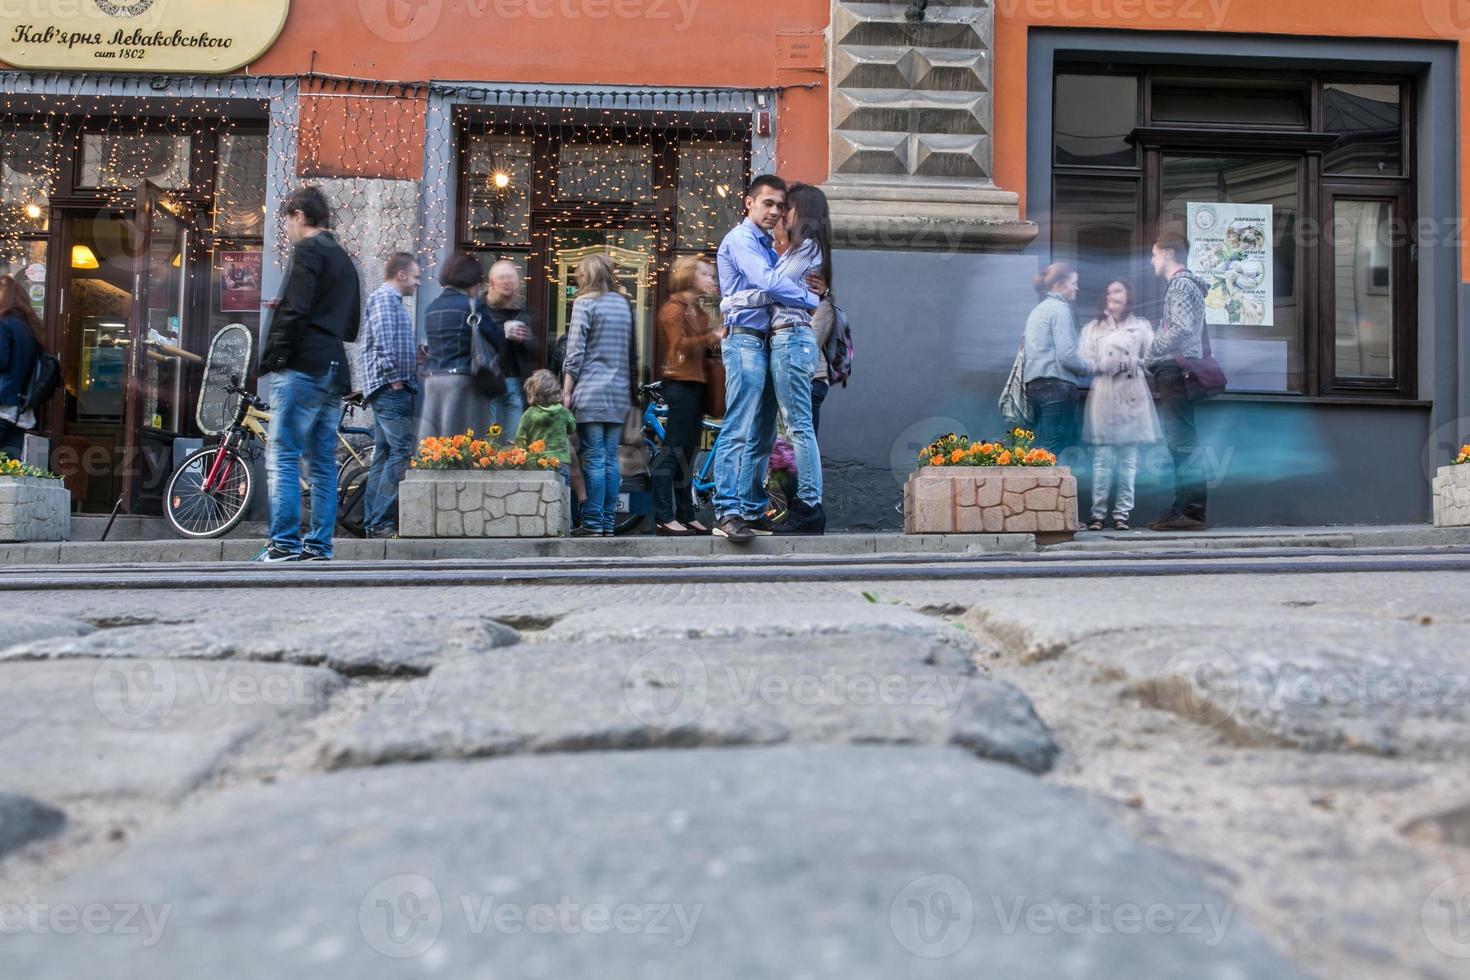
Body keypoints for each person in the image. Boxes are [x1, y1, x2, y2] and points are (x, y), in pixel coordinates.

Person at [711, 174, 824, 543]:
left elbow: (774, 287)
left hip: (766, 343)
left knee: (761, 433)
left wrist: (733, 302)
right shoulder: (743, 240)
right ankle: (728, 510)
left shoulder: (772, 247)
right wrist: (809, 300)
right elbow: (770, 285)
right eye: (769, 204)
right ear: (749, 203)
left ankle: (752, 509)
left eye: (781, 205)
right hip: (745, 342)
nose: (775, 211)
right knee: (739, 427)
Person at [256, 186, 362, 563]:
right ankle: (319, 546)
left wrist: (270, 358)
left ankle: (284, 544)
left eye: (286, 221)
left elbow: (296, 311)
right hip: (334, 368)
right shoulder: (345, 260)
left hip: (303, 365)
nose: (286, 229)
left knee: (283, 453)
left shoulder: (307, 251)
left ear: (299, 216)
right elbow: (351, 325)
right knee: (322, 462)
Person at [561, 253, 634, 537]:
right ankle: (606, 522)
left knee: (593, 457)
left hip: (591, 391)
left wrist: (567, 389)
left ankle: (592, 522)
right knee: (609, 459)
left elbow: (575, 350)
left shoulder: (584, 303)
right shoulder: (622, 304)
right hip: (617, 393)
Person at [1079, 280, 1160, 531]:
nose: (1111, 295)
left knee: (1128, 460)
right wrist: (1102, 364)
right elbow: (1083, 360)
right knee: (1102, 459)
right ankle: (1098, 515)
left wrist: (1135, 362)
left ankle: (1122, 514)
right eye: (1108, 291)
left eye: (1117, 291)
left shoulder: (1141, 327)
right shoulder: (1093, 328)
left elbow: (1156, 357)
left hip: (1132, 393)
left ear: (1128, 296)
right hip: (1105, 394)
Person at [1146, 230, 1212, 531]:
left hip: (1175, 371)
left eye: (1154, 254)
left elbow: (1182, 328)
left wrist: (1152, 348)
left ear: (1169, 253)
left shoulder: (1181, 285)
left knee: (1182, 442)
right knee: (1180, 442)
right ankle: (1181, 508)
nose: (1151, 261)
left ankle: (1192, 511)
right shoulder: (1184, 285)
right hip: (1176, 372)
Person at [651, 255, 720, 536]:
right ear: (691, 276)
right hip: (679, 384)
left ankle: (685, 514)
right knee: (672, 452)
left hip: (696, 385)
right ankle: (664, 516)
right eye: (706, 275)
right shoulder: (673, 310)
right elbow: (678, 347)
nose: (711, 280)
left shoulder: (697, 311)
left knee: (687, 453)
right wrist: (712, 337)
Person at [357, 252, 422, 539]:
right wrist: (395, 379)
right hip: (389, 390)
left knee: (383, 455)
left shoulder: (390, 301)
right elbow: (383, 346)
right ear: (401, 275)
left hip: (388, 389)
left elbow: (388, 343)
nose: (419, 283)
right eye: (416, 276)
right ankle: (379, 521)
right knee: (403, 451)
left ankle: (372, 521)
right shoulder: (385, 300)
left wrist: (416, 357)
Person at [417, 252, 498, 444]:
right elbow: (496, 340)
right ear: (471, 280)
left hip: (434, 381)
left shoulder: (431, 308)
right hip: (463, 381)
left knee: (436, 448)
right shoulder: (472, 306)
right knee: (467, 446)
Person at [1022, 263, 1090, 457]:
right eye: (1073, 283)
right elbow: (1067, 355)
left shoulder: (1038, 310)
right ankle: (1040, 487)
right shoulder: (1060, 309)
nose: (1076, 288)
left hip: (1035, 387)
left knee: (1044, 447)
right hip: (1057, 388)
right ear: (1060, 284)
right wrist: (1087, 367)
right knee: (1052, 451)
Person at [481, 259, 540, 438]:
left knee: (512, 443)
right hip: (486, 383)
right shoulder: (478, 310)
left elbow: (538, 350)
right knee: (487, 444)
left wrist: (525, 339)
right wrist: (500, 334)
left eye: (512, 279)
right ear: (491, 282)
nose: (508, 282)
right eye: (503, 278)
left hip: (515, 383)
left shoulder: (524, 313)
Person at [515, 369, 578, 530]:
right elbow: (572, 427)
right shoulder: (562, 412)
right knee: (563, 494)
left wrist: (521, 454)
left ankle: (539, 525)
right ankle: (565, 525)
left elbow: (520, 437)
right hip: (561, 461)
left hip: (538, 461)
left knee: (540, 495)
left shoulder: (529, 414)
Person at [0, 275, 41, 460]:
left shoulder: (4, 323)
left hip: (3, 401)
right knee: (9, 468)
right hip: (21, 410)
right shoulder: (29, 327)